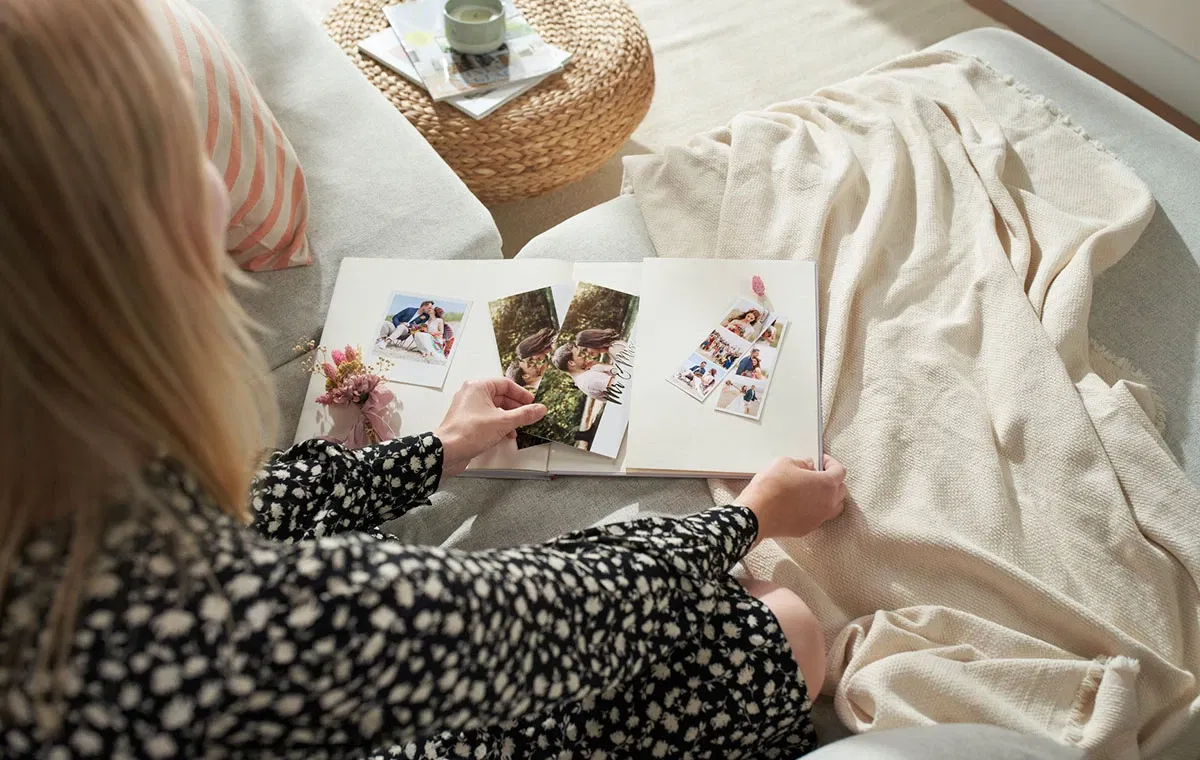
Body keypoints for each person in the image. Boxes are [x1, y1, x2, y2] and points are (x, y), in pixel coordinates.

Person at [0, 2, 848, 757]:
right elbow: (547, 618)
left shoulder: (64, 490)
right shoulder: (242, 623)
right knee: (775, 630)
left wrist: (436, 448)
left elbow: (255, 506)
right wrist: (748, 517)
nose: (221, 189)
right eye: (181, 154)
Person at [551, 343, 619, 402]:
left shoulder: (582, 379)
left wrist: (599, 365)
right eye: (579, 355)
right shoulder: (590, 378)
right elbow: (619, 385)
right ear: (571, 363)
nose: (584, 355)